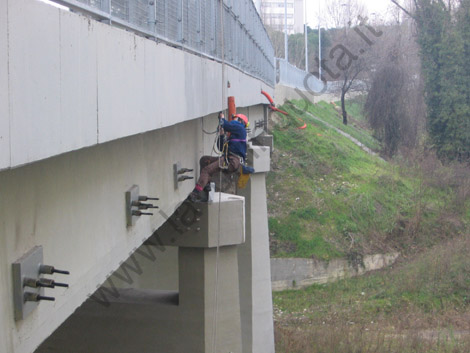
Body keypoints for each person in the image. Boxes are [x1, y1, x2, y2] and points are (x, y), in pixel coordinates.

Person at [189, 112, 249, 202]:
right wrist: (221, 135)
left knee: (207, 170)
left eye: (236, 119)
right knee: (204, 160)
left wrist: (222, 117)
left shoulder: (241, 129)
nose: (234, 121)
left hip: (232, 161)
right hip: (228, 159)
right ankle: (206, 185)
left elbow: (226, 124)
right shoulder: (234, 136)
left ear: (241, 121)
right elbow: (221, 148)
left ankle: (195, 193)